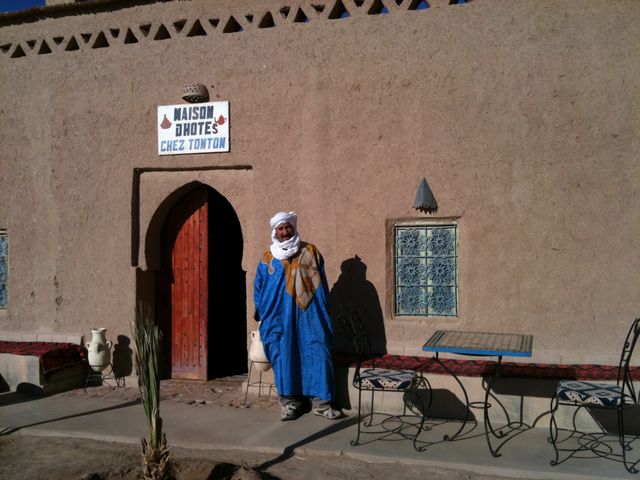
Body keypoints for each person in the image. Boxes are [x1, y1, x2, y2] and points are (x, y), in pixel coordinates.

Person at [254, 211, 340, 421]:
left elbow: (322, 284)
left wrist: (325, 310)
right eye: (280, 229)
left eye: (288, 227)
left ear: (293, 228)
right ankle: (290, 403)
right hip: (279, 318)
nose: (285, 232)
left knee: (318, 351)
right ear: (275, 231)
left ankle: (321, 403)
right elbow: (259, 288)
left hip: (310, 317)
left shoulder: (311, 252)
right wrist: (263, 311)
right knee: (284, 356)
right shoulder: (268, 258)